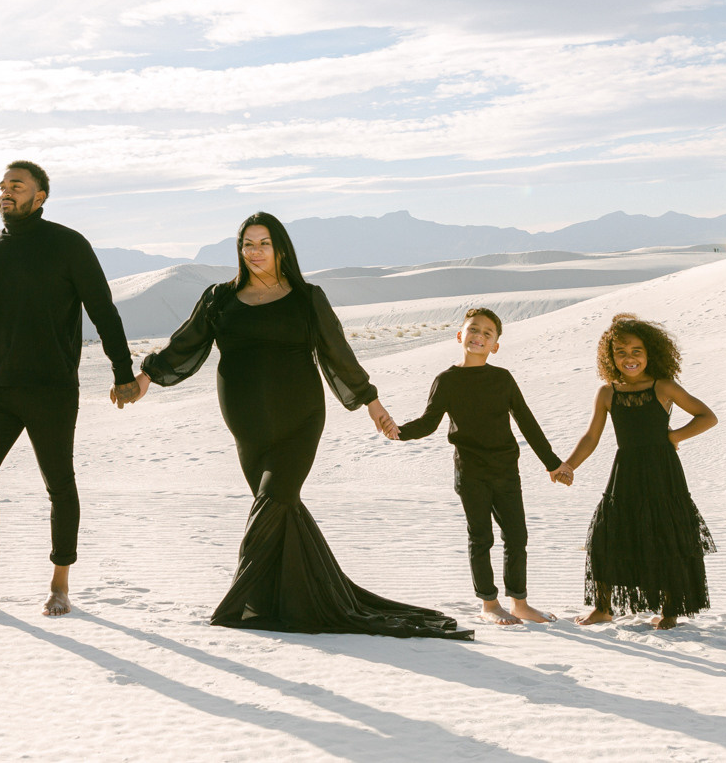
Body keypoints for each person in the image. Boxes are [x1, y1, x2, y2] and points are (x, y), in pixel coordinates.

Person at [129, 212, 472, 639]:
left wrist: (371, 402)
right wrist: (145, 378)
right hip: (246, 424)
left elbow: (338, 353)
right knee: (280, 507)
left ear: (281, 248)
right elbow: (186, 342)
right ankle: (306, 599)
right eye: (247, 244)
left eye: (264, 243)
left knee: (273, 499)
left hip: (300, 418)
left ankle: (241, 600)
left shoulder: (307, 298)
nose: (254, 252)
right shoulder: (220, 298)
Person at [0, 161, 144, 618]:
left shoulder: (68, 246)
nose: (6, 193)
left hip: (52, 389)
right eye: (2, 186)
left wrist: (123, 373)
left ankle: (60, 585)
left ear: (41, 196)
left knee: (59, 484)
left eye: (17, 186)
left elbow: (103, 311)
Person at [396, 306, 571, 625]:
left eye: (487, 333)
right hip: (470, 472)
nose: (479, 336)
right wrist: (398, 432)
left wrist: (552, 463)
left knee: (517, 536)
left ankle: (520, 603)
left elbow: (527, 423)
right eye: (474, 329)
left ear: (496, 345)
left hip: (506, 470)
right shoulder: (446, 380)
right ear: (460, 335)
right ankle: (489, 605)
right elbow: (428, 422)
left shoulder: (502, 378)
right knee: (481, 537)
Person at [554, 313, 719, 630]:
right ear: (610, 356)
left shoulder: (664, 387)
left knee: (666, 536)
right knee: (607, 536)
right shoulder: (607, 393)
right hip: (625, 470)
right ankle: (603, 608)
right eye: (620, 352)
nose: (629, 358)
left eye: (636, 351)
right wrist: (569, 465)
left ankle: (670, 612)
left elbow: (707, 417)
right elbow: (591, 436)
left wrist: (673, 436)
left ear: (650, 352)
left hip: (662, 471)